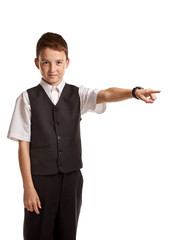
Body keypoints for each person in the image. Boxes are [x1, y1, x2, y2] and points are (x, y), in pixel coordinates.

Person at [7, 32, 160, 240]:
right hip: (40, 181)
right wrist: (28, 187)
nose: (53, 69)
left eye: (58, 62)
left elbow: (106, 94)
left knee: (67, 234)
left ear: (67, 62)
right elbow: (22, 145)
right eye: (46, 63)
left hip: (72, 179)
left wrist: (133, 92)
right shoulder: (26, 99)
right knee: (38, 234)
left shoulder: (78, 94)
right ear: (37, 63)